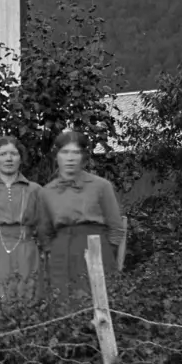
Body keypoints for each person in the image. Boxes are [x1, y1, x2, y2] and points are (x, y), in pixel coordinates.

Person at [38, 130, 125, 308]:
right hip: (61, 254)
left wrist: (106, 254)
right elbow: (44, 233)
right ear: (56, 157)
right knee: (64, 305)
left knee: (98, 303)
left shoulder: (101, 186)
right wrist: (54, 253)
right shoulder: (46, 192)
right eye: (65, 152)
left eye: (75, 153)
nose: (70, 158)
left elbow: (116, 228)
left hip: (96, 250)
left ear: (83, 157)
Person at [0, 136, 45, 301]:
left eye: (13, 154)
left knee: (27, 297)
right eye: (2, 154)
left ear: (20, 158)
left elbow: (44, 226)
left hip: (26, 250)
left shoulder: (35, 190)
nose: (8, 158)